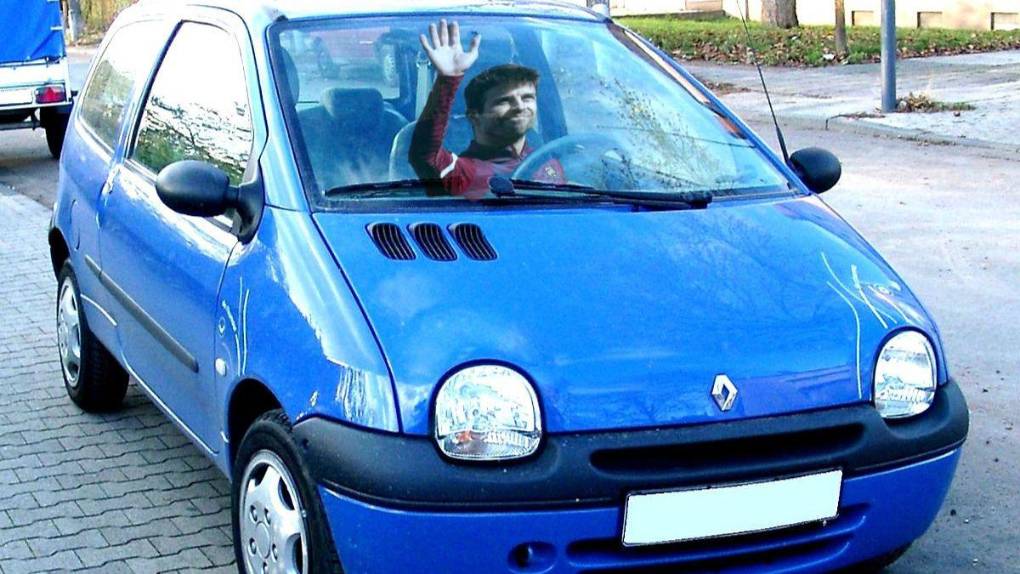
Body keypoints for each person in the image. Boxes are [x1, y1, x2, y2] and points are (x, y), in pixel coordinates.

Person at [409, 19, 564, 200]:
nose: (520, 106)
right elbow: (425, 154)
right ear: (475, 117)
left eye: (527, 98)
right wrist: (448, 79)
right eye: (504, 101)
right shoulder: (467, 171)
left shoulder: (544, 158)